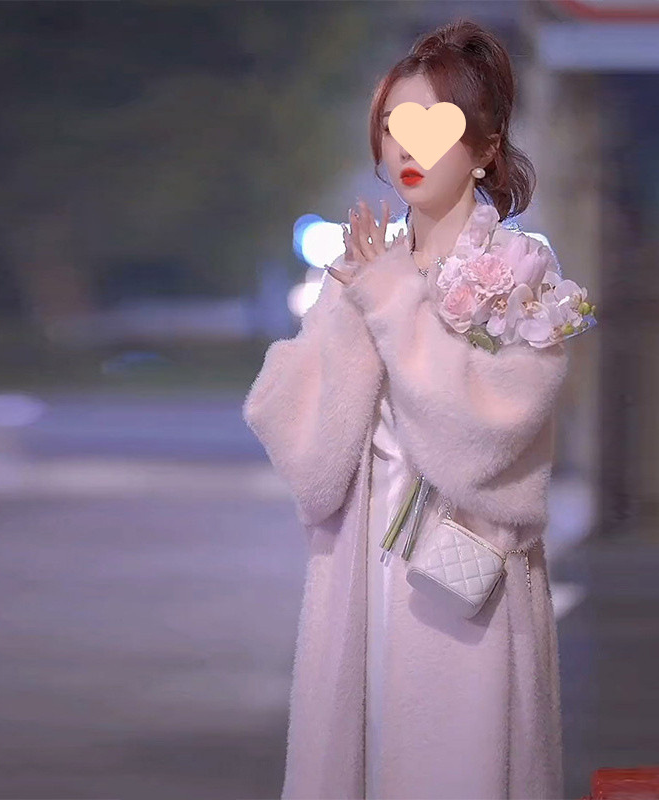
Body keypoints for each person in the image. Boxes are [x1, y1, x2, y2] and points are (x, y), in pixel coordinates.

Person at [244, 18, 573, 800]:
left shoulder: (520, 268)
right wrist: (352, 312)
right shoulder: (365, 266)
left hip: (463, 558)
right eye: (394, 126)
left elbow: (493, 431)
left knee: (454, 758)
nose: (407, 148)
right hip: (360, 549)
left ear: (487, 147)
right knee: (360, 743)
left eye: (436, 124)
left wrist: (390, 302)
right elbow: (294, 427)